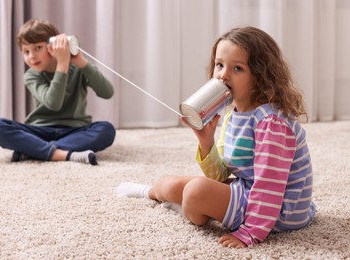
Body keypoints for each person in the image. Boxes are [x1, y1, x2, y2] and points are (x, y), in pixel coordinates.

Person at [117, 26, 316, 248]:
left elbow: (269, 187)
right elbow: (220, 176)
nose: (223, 74)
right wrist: (206, 141)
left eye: (237, 68)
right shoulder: (234, 116)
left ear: (261, 77)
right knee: (174, 184)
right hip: (248, 190)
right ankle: (149, 192)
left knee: (195, 191)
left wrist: (250, 233)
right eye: (219, 65)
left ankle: (188, 207)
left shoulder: (271, 124)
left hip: (281, 211)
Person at [0, 19, 116, 165]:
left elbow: (107, 92)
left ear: (53, 46)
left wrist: (82, 63)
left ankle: (34, 150)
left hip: (74, 130)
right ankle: (64, 153)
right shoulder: (32, 75)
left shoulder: (78, 69)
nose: (31, 56)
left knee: (106, 130)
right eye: (26, 51)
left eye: (38, 48)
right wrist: (62, 64)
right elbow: (53, 103)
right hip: (39, 131)